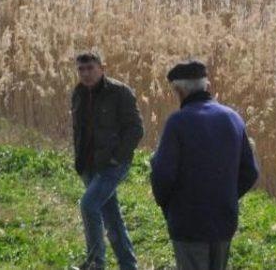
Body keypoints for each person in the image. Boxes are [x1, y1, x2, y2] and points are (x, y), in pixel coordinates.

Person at [150, 60, 259, 270]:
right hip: (224, 219)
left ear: (179, 91)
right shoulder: (233, 118)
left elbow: (163, 176)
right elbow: (250, 171)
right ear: (206, 86)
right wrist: (225, 194)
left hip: (188, 222)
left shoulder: (178, 122)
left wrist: (169, 206)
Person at [71, 52, 144, 270]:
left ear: (102, 68)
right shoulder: (78, 93)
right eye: (81, 69)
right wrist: (80, 161)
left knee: (89, 204)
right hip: (89, 165)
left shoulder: (120, 92)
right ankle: (128, 265)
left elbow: (136, 129)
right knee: (111, 216)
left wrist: (117, 157)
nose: (85, 74)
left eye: (90, 68)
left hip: (112, 164)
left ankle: (96, 262)